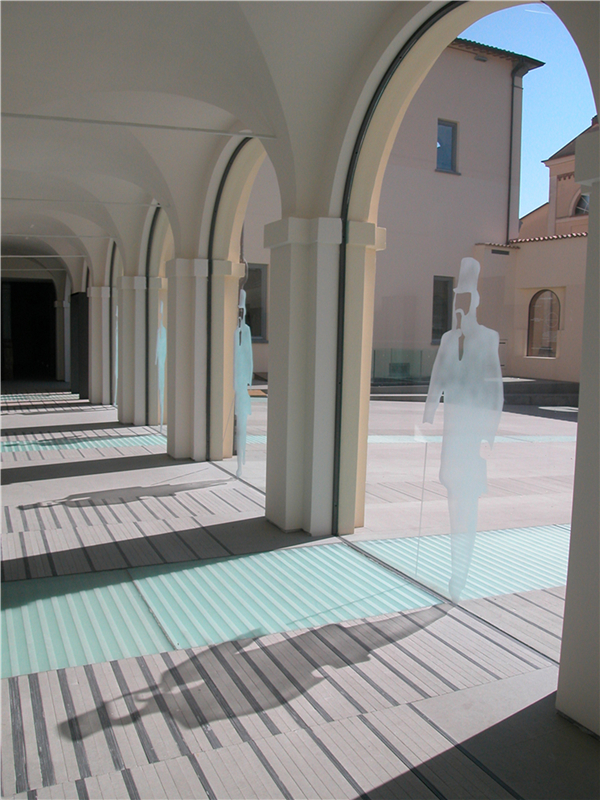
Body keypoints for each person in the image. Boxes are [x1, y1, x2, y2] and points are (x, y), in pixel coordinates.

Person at [423, 258, 503, 601]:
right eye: (458, 298)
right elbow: (438, 377)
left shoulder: (488, 338)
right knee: (454, 498)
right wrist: (427, 415)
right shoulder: (447, 339)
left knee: (467, 504)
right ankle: (456, 568)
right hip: (452, 437)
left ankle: (461, 573)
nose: (460, 305)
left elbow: (495, 388)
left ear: (476, 301)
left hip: (471, 438)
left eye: (466, 298)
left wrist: (489, 434)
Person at [234, 289, 253, 477]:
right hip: (238, 387)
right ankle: (240, 462)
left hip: (243, 387)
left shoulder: (245, 331)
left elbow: (249, 357)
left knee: (242, 426)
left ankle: (242, 460)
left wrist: (248, 380)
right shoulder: (236, 333)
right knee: (239, 427)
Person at [155, 300, 167, 433]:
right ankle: (161, 414)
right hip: (161, 363)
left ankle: (162, 416)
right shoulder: (160, 330)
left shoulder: (163, 330)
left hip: (162, 363)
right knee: (160, 386)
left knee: (162, 386)